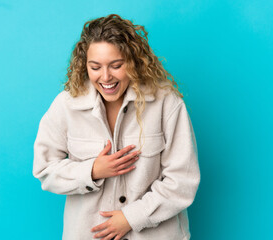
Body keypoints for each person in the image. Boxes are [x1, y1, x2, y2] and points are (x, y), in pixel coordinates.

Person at [33, 14, 200, 240]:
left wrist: (132, 217)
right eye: (95, 67)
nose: (105, 77)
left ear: (133, 61)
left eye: (116, 65)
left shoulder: (166, 103)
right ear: (85, 65)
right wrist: (91, 171)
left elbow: (183, 181)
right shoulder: (66, 105)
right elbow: (45, 169)